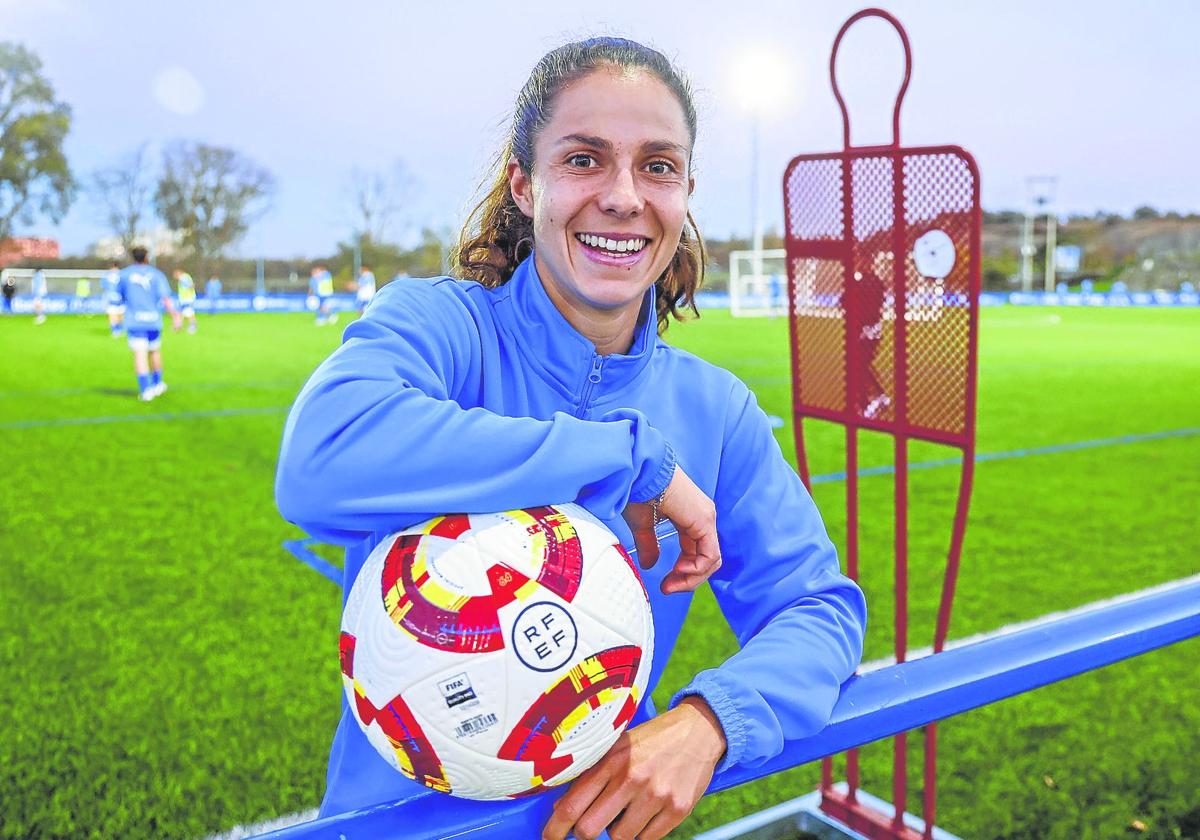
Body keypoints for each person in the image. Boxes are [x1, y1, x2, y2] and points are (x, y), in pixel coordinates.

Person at [275, 37, 865, 840]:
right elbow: (321, 461)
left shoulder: (716, 411)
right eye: (585, 159)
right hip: (395, 826)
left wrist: (712, 718)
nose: (624, 197)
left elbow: (817, 607)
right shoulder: (441, 330)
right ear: (525, 183)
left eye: (657, 166)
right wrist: (631, 461)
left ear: (685, 191)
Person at [117, 246, 182, 401]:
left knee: (140, 354)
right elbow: (166, 298)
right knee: (154, 351)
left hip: (135, 321)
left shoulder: (124, 275)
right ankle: (158, 384)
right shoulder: (156, 274)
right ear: (147, 257)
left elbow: (120, 296)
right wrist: (175, 316)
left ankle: (146, 390)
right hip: (153, 321)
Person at [102, 261, 124, 336]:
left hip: (110, 296)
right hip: (121, 297)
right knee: (120, 314)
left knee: (112, 314)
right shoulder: (122, 274)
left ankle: (115, 330)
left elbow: (103, 285)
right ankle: (119, 329)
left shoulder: (107, 274)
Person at [174, 268, 198, 333]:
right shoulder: (186, 277)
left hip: (187, 299)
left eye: (175, 275)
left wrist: (191, 291)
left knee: (189, 313)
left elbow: (191, 286)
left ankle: (193, 326)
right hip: (186, 298)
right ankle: (178, 326)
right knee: (183, 313)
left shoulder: (183, 278)